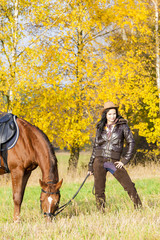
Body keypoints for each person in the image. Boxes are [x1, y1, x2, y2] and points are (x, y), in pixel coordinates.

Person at [88, 101, 142, 211]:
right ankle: (101, 212)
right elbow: (95, 147)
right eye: (109, 114)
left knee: (129, 185)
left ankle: (139, 208)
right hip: (99, 161)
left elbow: (131, 142)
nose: (112, 116)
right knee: (99, 190)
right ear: (105, 115)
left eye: (114, 113)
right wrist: (90, 166)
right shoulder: (100, 127)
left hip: (113, 162)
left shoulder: (122, 126)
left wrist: (124, 160)